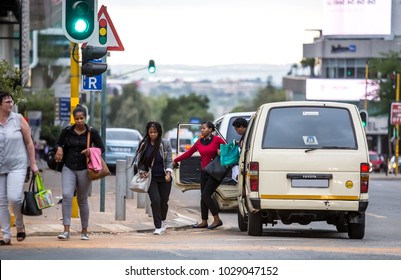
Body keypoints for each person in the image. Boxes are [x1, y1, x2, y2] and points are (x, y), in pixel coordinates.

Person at [54, 105, 105, 241]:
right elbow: (57, 143)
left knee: (82, 200)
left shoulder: (92, 132)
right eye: (77, 118)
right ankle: (66, 230)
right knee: (66, 196)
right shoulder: (67, 131)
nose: (79, 121)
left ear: (85, 118)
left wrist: (91, 151)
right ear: (74, 119)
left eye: (82, 118)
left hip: (84, 169)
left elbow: (101, 148)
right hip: (68, 167)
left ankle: (84, 231)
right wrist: (59, 148)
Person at [0, 91, 39, 246]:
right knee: (2, 202)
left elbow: (29, 142)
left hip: (17, 165)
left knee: (14, 198)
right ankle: (6, 235)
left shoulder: (18, 119)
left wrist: (33, 163)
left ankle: (20, 224)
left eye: (11, 101)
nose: (11, 104)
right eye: (7, 102)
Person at [173, 121, 226, 230]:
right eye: (201, 128)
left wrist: (221, 153)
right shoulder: (199, 142)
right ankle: (204, 221)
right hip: (204, 172)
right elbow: (188, 153)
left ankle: (217, 219)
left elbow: (229, 150)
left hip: (214, 172)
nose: (202, 130)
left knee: (206, 195)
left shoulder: (217, 140)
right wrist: (176, 160)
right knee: (203, 197)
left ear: (210, 129)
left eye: (204, 128)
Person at [135, 122, 174, 235]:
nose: (153, 134)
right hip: (151, 178)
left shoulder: (165, 143)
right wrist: (142, 172)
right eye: (151, 132)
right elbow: (140, 161)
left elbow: (169, 160)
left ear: (159, 132)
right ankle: (157, 226)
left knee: (164, 202)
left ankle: (163, 221)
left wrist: (168, 173)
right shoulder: (144, 144)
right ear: (147, 132)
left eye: (155, 132)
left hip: (164, 177)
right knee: (155, 201)